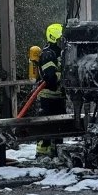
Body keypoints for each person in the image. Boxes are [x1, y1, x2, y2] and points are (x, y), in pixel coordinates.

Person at [36, 23, 65, 156]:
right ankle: (43, 155)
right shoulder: (49, 54)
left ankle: (55, 154)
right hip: (48, 98)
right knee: (46, 129)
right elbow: (50, 77)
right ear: (54, 37)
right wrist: (64, 76)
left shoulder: (59, 52)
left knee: (58, 129)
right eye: (61, 38)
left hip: (58, 97)